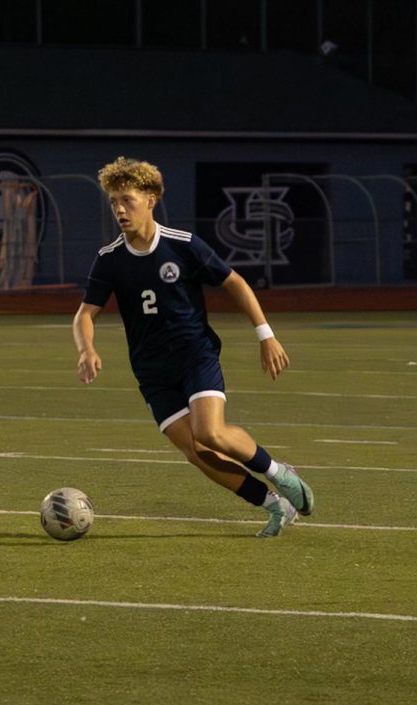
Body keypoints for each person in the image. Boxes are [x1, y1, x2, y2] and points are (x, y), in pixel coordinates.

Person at [72, 158, 314, 538]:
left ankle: (279, 473)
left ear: (150, 199)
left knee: (210, 433)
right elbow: (85, 314)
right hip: (152, 371)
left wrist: (265, 334)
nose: (119, 209)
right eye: (114, 201)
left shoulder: (183, 246)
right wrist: (87, 349)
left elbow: (234, 283)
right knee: (196, 452)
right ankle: (275, 506)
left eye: (128, 200)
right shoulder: (109, 260)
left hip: (194, 356)